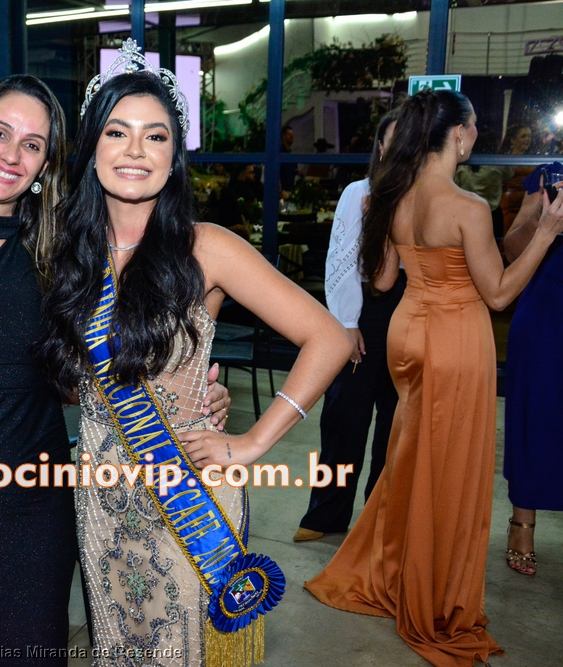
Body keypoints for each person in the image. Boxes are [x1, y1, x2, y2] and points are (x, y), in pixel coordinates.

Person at [0, 73, 236, 665]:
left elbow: (92, 372)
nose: (12, 155)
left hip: (38, 508)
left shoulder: (64, 253)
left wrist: (193, 393)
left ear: (45, 164)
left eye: (32, 144)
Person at [36, 60, 350, 663]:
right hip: (101, 496)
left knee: (179, 648)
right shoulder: (70, 254)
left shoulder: (206, 247)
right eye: (117, 131)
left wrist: (253, 440)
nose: (136, 150)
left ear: (174, 157)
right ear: (92, 149)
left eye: (155, 135)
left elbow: (329, 339)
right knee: (119, 646)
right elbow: (79, 385)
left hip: (187, 494)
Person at [305, 90, 563, 667]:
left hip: (407, 334)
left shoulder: (394, 196)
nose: (475, 137)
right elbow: (498, 294)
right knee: (450, 467)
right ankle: (431, 587)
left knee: (411, 456)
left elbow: (382, 280)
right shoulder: (468, 206)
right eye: (474, 128)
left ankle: (398, 566)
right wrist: (546, 231)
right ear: (460, 135)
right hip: (454, 340)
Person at [294, 111, 402, 542]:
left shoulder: (426, 198)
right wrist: (346, 322)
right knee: (343, 418)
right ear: (380, 147)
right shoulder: (360, 192)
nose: (401, 147)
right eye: (392, 139)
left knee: (395, 424)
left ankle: (380, 522)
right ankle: (324, 515)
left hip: (410, 314)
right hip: (365, 311)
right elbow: (341, 260)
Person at [500, 162, 563, 576]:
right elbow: (511, 249)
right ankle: (522, 526)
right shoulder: (549, 176)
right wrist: (546, 216)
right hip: (546, 312)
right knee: (534, 417)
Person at [499, 124, 535, 232]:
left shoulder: (533, 160)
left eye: (529, 136)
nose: (527, 139)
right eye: (523, 136)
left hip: (527, 206)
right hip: (509, 206)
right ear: (513, 141)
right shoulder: (505, 160)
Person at [280, 124, 297, 192]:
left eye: (292, 134)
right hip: (281, 191)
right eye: (289, 134)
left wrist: (297, 171)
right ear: (284, 137)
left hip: (290, 189)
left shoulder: (291, 154)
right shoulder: (279, 153)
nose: (292, 136)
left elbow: (292, 169)